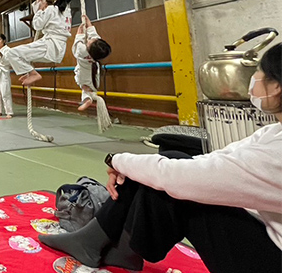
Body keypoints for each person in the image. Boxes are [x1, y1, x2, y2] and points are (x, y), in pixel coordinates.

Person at [39, 43, 282, 273]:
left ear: (276, 87)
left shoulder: (276, 151)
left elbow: (179, 177)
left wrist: (116, 160)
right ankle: (107, 244)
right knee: (170, 161)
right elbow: (220, 158)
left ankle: (106, 244)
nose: (253, 80)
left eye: (258, 73)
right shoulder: (273, 132)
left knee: (167, 184)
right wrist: (131, 166)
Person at [1, 0, 72, 86]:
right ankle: (29, 72)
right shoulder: (67, 13)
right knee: (19, 55)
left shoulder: (52, 9)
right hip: (58, 50)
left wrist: (40, 11)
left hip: (49, 46)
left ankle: (33, 73)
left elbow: (37, 25)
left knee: (11, 53)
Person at [72, 15, 111, 111]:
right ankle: (87, 99)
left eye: (89, 42)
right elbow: (94, 36)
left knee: (85, 87)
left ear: (89, 48)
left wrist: (79, 34)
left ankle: (88, 99)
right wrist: (89, 24)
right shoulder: (96, 51)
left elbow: (75, 47)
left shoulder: (82, 51)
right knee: (86, 88)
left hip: (85, 74)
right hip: (92, 76)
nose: (89, 40)